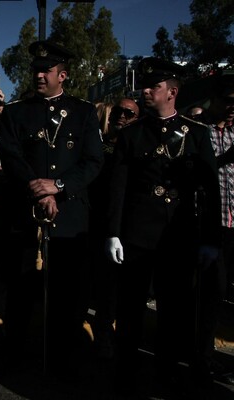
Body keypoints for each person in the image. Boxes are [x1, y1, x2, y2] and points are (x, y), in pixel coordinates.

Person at [105, 57, 221, 394]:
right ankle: (125, 371)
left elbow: (210, 191)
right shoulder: (132, 135)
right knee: (130, 311)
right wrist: (113, 232)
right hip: (138, 235)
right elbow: (119, 187)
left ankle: (167, 372)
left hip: (178, 236)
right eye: (145, 85)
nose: (144, 91)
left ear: (171, 92)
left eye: (152, 86)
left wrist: (210, 239)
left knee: (174, 312)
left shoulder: (196, 134)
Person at [0, 40, 103, 379]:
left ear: (63, 74)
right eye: (36, 70)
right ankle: (14, 357)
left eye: (46, 70)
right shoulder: (16, 112)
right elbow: (11, 157)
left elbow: (92, 161)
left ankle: (62, 362)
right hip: (25, 214)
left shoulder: (84, 112)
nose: (39, 75)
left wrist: (58, 187)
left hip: (70, 215)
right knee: (20, 291)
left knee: (67, 296)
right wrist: (38, 189)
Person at [89, 97, 139, 359]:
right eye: (118, 111)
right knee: (102, 286)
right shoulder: (101, 148)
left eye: (128, 113)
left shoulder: (141, 147)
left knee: (122, 289)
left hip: (131, 228)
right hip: (98, 226)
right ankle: (102, 336)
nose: (121, 116)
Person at [202, 73, 234, 385]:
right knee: (213, 293)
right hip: (211, 227)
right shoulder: (201, 133)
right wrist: (225, 158)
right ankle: (202, 357)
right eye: (227, 100)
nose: (232, 107)